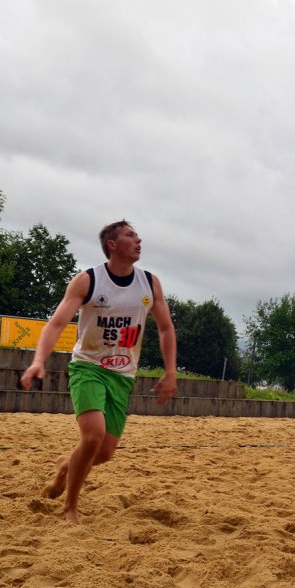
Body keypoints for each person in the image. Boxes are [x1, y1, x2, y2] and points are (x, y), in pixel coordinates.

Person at [20, 220, 177, 524]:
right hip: (88, 367)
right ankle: (70, 507)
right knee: (92, 437)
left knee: (104, 453)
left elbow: (166, 328)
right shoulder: (87, 280)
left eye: (138, 235)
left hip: (122, 373)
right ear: (112, 245)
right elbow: (55, 324)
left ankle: (67, 467)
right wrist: (39, 361)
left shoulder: (149, 283)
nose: (139, 240)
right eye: (131, 236)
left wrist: (171, 372)